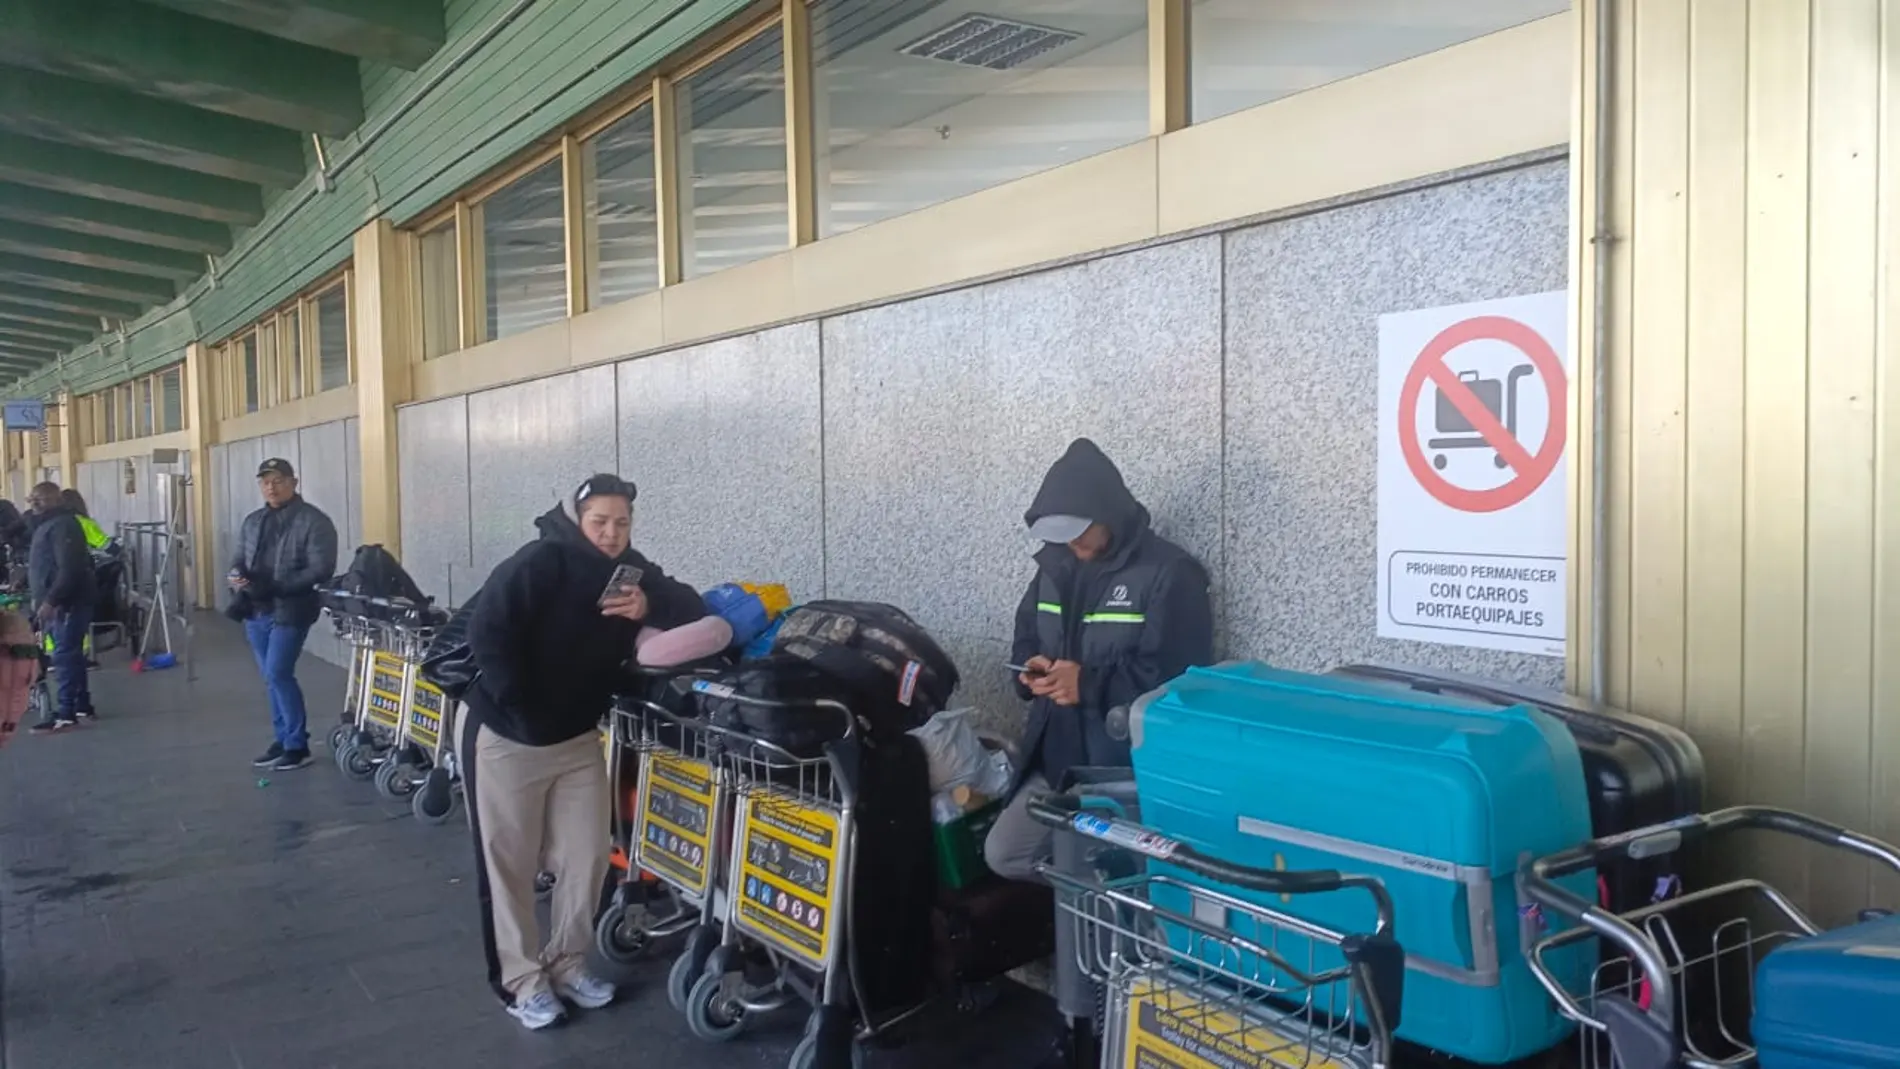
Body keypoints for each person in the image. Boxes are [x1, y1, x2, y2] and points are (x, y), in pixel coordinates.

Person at [460, 474, 729, 1031]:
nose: (610, 534)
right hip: (510, 739)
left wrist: (647, 603)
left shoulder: (630, 569)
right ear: (577, 518)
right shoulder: (541, 560)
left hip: (579, 740)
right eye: (600, 522)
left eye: (621, 523)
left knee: (586, 858)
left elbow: (691, 606)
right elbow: (489, 629)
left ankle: (567, 963)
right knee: (508, 866)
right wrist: (520, 704)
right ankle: (521, 981)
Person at [983, 438, 1215, 882]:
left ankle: (1110, 917)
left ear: (1109, 514)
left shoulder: (1170, 572)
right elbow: (1026, 633)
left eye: (1079, 531)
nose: (1072, 543)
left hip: (1122, 769)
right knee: (1004, 852)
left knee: (1115, 878)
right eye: (1063, 534)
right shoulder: (1053, 567)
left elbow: (1180, 680)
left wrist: (1088, 683)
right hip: (1056, 760)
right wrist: (1029, 671)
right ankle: (1086, 909)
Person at [230, 458, 338, 772]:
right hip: (255, 610)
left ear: (294, 482)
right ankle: (283, 739)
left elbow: (321, 568)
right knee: (270, 678)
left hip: (291, 609)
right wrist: (240, 586)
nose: (271, 487)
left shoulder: (314, 521)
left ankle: (297, 744)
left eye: (278, 480)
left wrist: (276, 587)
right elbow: (236, 562)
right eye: (265, 482)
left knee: (278, 673)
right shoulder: (253, 521)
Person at [25, 481, 96, 731]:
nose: (34, 504)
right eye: (31, 499)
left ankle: (66, 713)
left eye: (40, 499)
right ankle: (81, 705)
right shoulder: (47, 525)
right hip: (62, 601)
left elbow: (69, 569)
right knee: (72, 654)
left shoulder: (64, 526)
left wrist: (51, 600)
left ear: (56, 500)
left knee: (64, 655)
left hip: (68, 602)